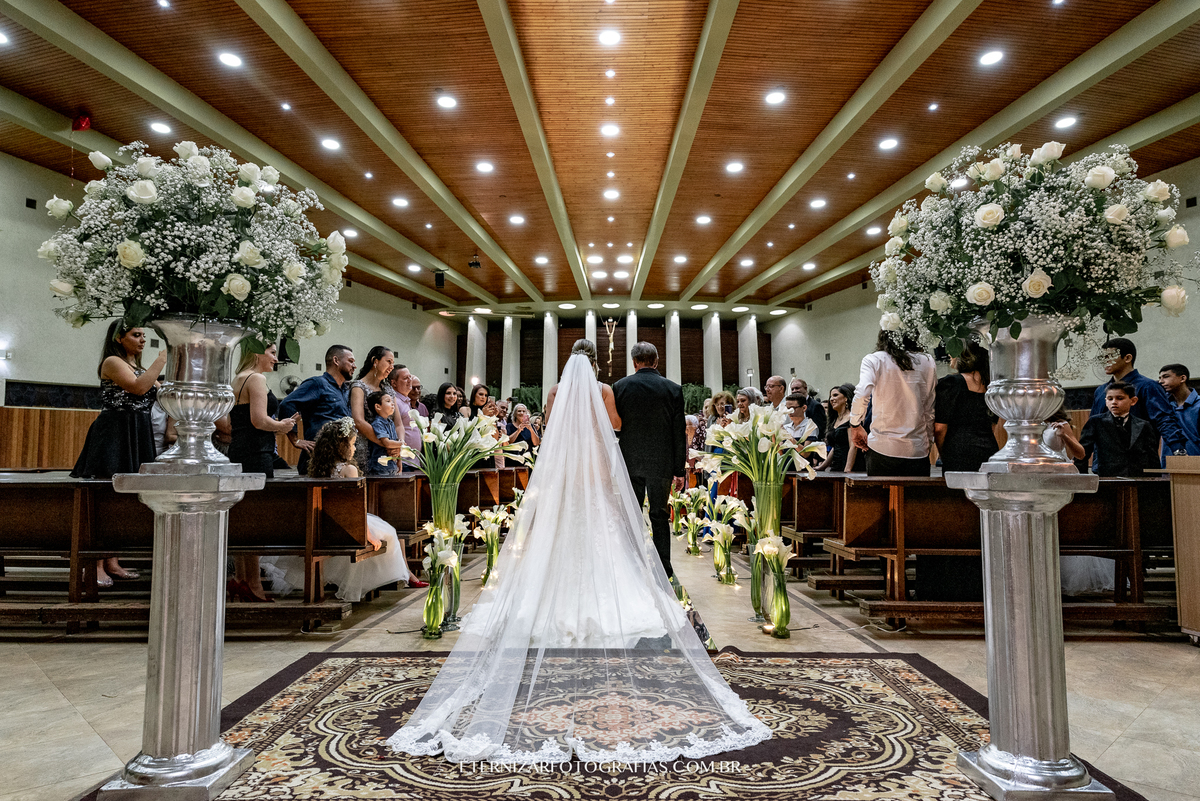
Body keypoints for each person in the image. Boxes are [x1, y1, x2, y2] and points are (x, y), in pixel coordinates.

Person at [387, 341, 770, 763]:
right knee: (614, 528)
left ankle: (552, 594)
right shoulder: (607, 390)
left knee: (563, 529)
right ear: (593, 362)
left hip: (565, 470)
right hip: (599, 465)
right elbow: (614, 427)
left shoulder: (556, 391)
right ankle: (635, 580)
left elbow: (550, 428)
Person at [72, 321, 168, 587]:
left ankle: (113, 560)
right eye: (136, 335)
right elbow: (138, 387)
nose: (142, 340)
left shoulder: (138, 367)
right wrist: (161, 360)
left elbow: (159, 392)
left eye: (143, 336)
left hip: (137, 432)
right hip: (114, 432)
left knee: (122, 502)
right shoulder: (112, 362)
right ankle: (95, 565)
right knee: (104, 499)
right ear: (118, 337)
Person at [299, 418, 424, 595]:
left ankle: (408, 574)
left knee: (393, 534)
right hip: (348, 525)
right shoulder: (348, 469)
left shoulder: (319, 468)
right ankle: (406, 575)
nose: (355, 448)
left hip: (323, 524)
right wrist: (368, 534)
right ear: (341, 446)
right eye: (352, 444)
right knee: (393, 533)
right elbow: (354, 508)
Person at [227, 341, 299, 602]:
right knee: (255, 519)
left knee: (244, 517)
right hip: (257, 454)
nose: (276, 358)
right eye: (271, 353)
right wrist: (284, 425)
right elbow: (259, 419)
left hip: (240, 450)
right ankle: (254, 583)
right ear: (256, 353)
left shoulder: (239, 378)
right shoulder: (255, 378)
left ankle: (241, 579)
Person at [613, 341, 687, 581]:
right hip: (662, 463)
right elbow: (678, 432)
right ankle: (664, 568)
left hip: (630, 461)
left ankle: (632, 565)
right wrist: (679, 470)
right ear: (656, 361)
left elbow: (615, 426)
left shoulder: (620, 387)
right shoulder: (673, 389)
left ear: (634, 362)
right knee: (659, 514)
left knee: (631, 515)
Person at [1043, 411, 1113, 595]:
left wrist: (1064, 435)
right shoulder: (1025, 422)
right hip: (1037, 477)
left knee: (1066, 525)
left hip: (1058, 475)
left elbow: (1081, 453)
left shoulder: (1059, 423)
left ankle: (1071, 578)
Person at [849, 330, 937, 477]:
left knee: (880, 500)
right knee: (914, 499)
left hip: (882, 446)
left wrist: (855, 425)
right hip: (917, 449)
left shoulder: (874, 359)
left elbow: (862, 392)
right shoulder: (927, 361)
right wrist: (927, 440)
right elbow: (929, 407)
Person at [1089, 338, 1187, 466]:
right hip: (1104, 465)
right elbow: (1092, 427)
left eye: (1109, 356)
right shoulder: (1101, 391)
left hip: (1139, 463)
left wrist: (1178, 450)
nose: (1105, 361)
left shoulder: (1148, 386)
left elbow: (1164, 420)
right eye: (1102, 357)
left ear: (1127, 358)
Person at [277, 344, 355, 475]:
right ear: (336, 361)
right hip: (317, 458)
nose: (354, 366)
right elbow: (287, 404)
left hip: (339, 458)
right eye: (350, 361)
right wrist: (295, 440)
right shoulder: (317, 383)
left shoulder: (346, 390)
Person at [934, 341, 999, 472]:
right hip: (989, 451)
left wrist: (943, 453)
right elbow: (993, 426)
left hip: (958, 452)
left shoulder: (951, 384)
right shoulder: (991, 386)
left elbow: (940, 428)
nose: (949, 354)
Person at [1079, 382, 1161, 477]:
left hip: (1137, 476)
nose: (1114, 402)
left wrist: (1156, 480)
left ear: (1133, 401)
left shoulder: (1143, 424)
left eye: (1120, 398)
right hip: (1106, 475)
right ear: (1106, 401)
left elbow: (1152, 455)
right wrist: (1082, 478)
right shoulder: (1096, 422)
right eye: (1110, 399)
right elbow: (1083, 452)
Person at [348, 346, 403, 467]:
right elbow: (358, 421)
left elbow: (398, 423)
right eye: (389, 362)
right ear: (375, 361)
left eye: (393, 363)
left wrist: (399, 446)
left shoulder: (388, 389)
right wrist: (385, 443)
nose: (392, 367)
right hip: (366, 449)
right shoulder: (358, 386)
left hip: (390, 451)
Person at [1159, 363, 1200, 455]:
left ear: (1182, 378)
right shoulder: (1163, 406)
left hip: (1195, 466)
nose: (1161, 381)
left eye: (1166, 376)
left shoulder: (1198, 406)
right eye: (1160, 378)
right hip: (1167, 466)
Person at [388, 365, 422, 471]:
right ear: (394, 383)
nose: (409, 381)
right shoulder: (394, 402)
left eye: (410, 377)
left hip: (413, 461)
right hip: (404, 461)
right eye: (405, 378)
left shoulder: (405, 401)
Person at [818, 383, 859, 472]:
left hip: (850, 466)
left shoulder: (852, 418)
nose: (831, 399)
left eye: (835, 395)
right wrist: (823, 466)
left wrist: (847, 470)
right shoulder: (834, 420)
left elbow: (853, 446)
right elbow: (836, 446)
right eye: (830, 396)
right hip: (836, 466)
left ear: (846, 398)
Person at [365, 391, 401, 476]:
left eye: (392, 401)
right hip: (380, 468)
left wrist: (399, 460)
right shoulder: (378, 423)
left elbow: (394, 442)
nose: (392, 404)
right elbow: (387, 443)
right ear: (378, 406)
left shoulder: (391, 423)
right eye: (388, 401)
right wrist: (402, 444)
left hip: (392, 466)